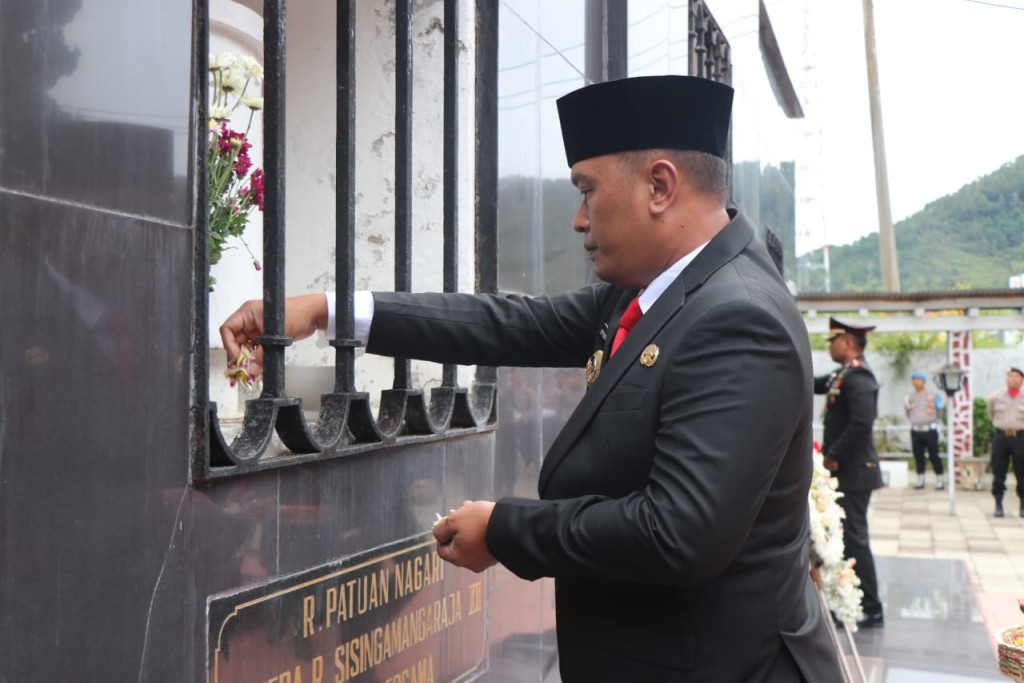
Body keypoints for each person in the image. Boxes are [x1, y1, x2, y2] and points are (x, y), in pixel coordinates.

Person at [221, 76, 842, 681]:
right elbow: (507, 323)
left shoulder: (736, 315)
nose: (578, 219)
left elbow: (679, 533)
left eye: (587, 190)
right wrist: (328, 311)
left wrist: (504, 530)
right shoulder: (664, 290)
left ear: (659, 185)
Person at [813, 317, 884, 628]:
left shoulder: (859, 377)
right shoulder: (843, 374)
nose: (830, 346)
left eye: (834, 340)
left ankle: (871, 607)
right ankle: (849, 598)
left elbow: (860, 424)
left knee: (856, 538)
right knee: (848, 537)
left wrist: (834, 455)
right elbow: (814, 383)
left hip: (855, 471)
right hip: (849, 470)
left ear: (849, 343)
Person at [987, 366, 1024, 518]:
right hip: (1001, 437)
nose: (1013, 379)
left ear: (1022, 380)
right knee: (998, 471)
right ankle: (998, 504)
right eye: (1011, 376)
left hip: (1020, 438)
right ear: (1006, 379)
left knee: (1022, 472)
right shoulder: (995, 397)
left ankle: (1022, 505)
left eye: (1017, 376)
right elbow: (991, 414)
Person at [904, 370, 945, 490]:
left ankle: (939, 479)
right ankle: (920, 479)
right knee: (918, 456)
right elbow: (907, 412)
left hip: (930, 430)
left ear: (924, 382)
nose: (915, 382)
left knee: (934, 455)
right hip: (916, 430)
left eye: (918, 380)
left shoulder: (932, 395)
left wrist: (933, 420)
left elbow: (939, 410)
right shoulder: (909, 397)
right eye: (914, 380)